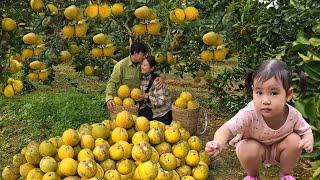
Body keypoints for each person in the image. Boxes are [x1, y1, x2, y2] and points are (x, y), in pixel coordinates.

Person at [205, 59, 314, 180]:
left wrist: (308, 140)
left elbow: (306, 131)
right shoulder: (249, 112)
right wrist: (218, 142)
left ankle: (285, 174)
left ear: (288, 94)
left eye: (273, 93)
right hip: (255, 150)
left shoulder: (292, 115)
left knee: (295, 140)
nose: (265, 100)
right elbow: (226, 129)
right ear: (253, 91)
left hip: (279, 149)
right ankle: (253, 176)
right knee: (247, 148)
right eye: (259, 92)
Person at [105, 41, 148, 113]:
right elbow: (112, 82)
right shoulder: (121, 66)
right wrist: (109, 98)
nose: (144, 57)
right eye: (142, 55)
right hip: (122, 103)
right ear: (135, 52)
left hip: (136, 101)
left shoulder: (143, 65)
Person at [138, 56, 172, 125]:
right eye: (142, 64)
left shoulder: (157, 81)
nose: (142, 67)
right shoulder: (143, 78)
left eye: (145, 65)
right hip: (152, 109)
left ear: (152, 68)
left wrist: (146, 97)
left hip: (162, 113)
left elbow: (161, 101)